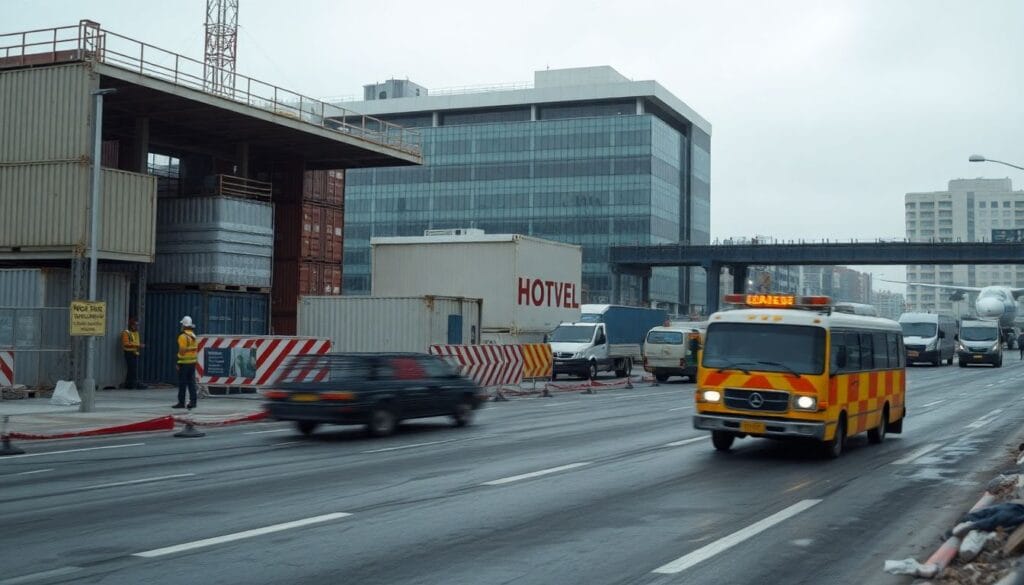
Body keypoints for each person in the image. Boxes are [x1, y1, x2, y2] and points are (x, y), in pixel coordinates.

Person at [174, 315, 199, 409]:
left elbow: (182, 350)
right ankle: (193, 402)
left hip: (184, 363)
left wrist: (178, 362)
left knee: (182, 383)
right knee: (191, 383)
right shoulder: (193, 336)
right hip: (192, 362)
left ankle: (181, 403)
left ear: (184, 325)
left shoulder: (183, 336)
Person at [120, 318, 146, 389]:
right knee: (131, 369)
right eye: (135, 325)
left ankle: (132, 384)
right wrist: (138, 345)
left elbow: (136, 342)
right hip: (128, 353)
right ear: (131, 325)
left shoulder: (136, 333)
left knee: (133, 369)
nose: (137, 327)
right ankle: (130, 384)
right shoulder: (126, 333)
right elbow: (126, 343)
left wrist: (139, 345)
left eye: (137, 325)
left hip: (134, 353)